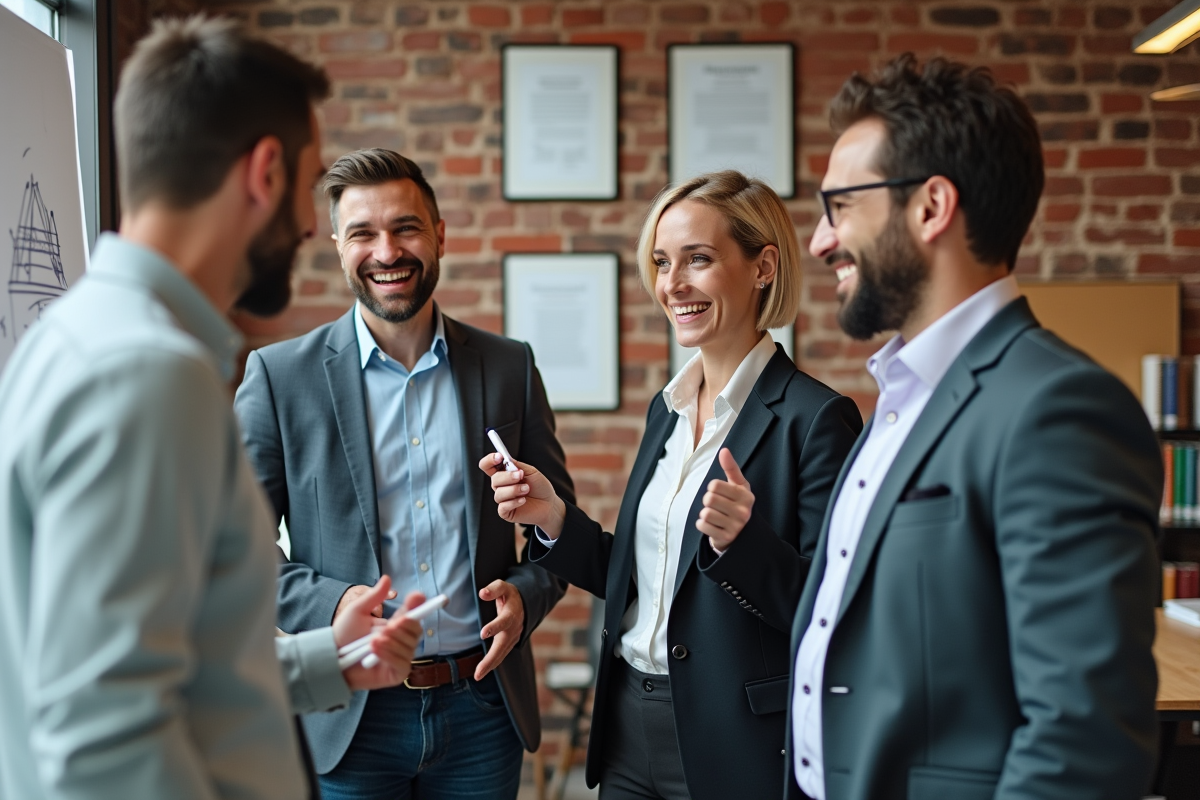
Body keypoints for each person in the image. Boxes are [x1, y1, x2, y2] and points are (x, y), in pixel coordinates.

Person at [0, 16, 428, 800]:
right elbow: (104, 741)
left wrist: (323, 663)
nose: (308, 225)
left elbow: (167, 656)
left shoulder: (74, 339)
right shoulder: (143, 376)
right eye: (307, 189)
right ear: (264, 172)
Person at [788, 54, 1161, 800]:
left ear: (931, 207)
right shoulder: (897, 399)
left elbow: (1080, 736)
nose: (820, 242)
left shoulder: (1057, 407)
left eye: (841, 208)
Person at [481, 170, 863, 800]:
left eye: (699, 259)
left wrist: (743, 545)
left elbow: (834, 615)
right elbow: (639, 575)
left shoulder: (816, 420)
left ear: (763, 266)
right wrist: (552, 516)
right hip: (629, 725)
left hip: (734, 743)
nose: (672, 284)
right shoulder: (670, 410)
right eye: (661, 262)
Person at [233, 147, 574, 799]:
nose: (387, 250)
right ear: (338, 246)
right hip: (348, 712)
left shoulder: (507, 368)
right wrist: (334, 605)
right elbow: (238, 554)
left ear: (439, 235)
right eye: (363, 232)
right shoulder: (279, 378)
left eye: (406, 228)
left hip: (481, 707)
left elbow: (559, 529)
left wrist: (526, 598)